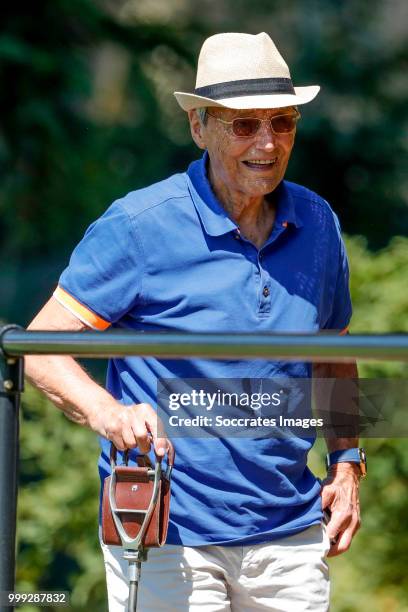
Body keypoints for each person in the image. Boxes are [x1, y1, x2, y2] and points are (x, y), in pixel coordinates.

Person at [25, 32, 365, 612]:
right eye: (243, 125)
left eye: (282, 122)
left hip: (291, 529)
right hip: (167, 534)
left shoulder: (318, 222)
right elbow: (38, 349)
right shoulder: (139, 225)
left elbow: (334, 349)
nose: (267, 142)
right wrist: (111, 415)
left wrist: (348, 459)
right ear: (199, 127)